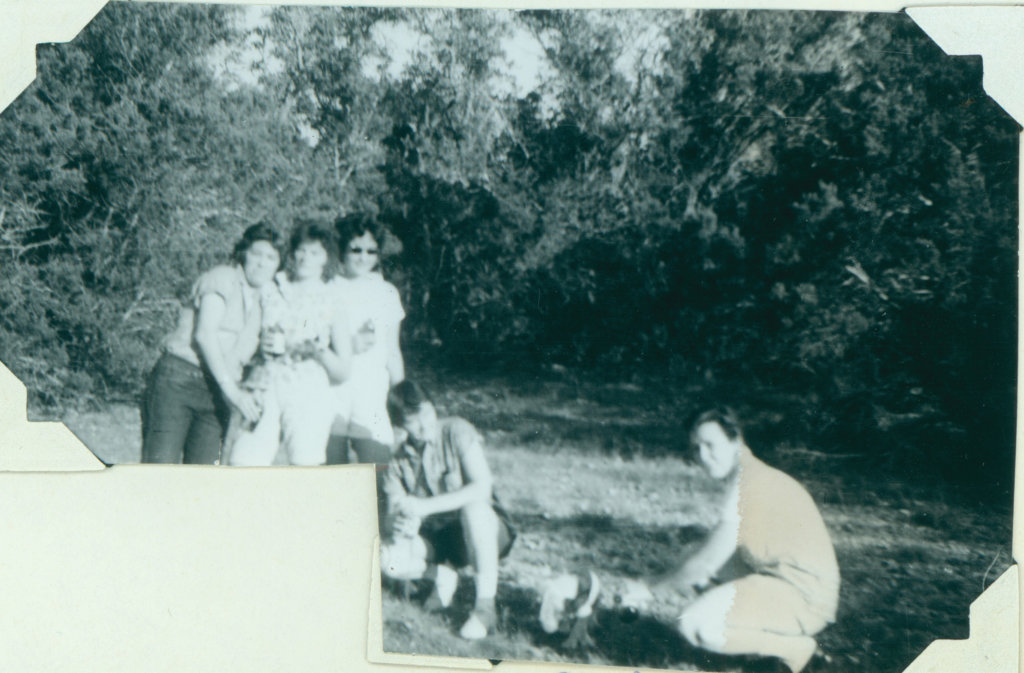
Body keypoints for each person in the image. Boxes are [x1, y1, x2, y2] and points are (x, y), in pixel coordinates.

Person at [614, 408, 840, 673]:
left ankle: (796, 649)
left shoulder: (748, 484)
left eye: (710, 445)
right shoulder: (752, 474)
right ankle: (760, 644)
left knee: (694, 624)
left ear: (736, 440)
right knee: (692, 557)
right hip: (788, 583)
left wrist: (650, 588)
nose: (702, 456)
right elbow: (707, 557)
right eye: (696, 448)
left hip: (804, 597)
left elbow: (707, 562)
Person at [379, 380, 515, 640]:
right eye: (413, 421)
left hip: (484, 533)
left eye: (427, 413)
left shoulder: (456, 431)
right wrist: (400, 522)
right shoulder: (397, 461)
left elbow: (482, 487)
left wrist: (423, 507)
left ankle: (485, 608)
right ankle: (441, 575)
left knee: (474, 509)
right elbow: (391, 519)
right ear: (400, 426)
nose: (424, 424)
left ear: (433, 407)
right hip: (440, 543)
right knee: (384, 558)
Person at [141, 223, 283, 464]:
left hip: (217, 395)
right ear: (243, 254)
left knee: (203, 476)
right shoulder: (223, 278)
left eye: (271, 258)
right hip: (180, 381)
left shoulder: (264, 302)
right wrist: (234, 394)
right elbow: (205, 335)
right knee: (159, 470)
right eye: (257, 254)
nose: (262, 263)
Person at [222, 221, 352, 466]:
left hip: (308, 390)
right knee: (244, 461)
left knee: (304, 465)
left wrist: (318, 351)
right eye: (301, 250)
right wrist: (259, 348)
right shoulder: (271, 288)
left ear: (326, 257)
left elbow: (344, 370)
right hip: (264, 385)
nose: (305, 258)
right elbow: (246, 343)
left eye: (314, 252)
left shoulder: (333, 300)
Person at [324, 213, 405, 466]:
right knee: (331, 472)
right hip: (331, 390)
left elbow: (393, 350)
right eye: (356, 249)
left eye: (371, 251)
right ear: (341, 250)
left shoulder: (387, 293)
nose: (363, 257)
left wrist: (402, 398)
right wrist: (347, 345)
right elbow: (309, 338)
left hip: (372, 391)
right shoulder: (325, 289)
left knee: (378, 468)